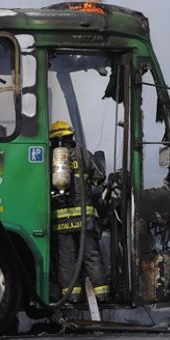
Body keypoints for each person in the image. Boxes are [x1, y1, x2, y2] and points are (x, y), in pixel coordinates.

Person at [49, 120, 109, 303]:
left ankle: (72, 296)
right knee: (91, 255)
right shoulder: (83, 153)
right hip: (85, 218)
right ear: (70, 136)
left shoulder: (51, 157)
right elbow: (99, 177)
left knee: (67, 259)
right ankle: (102, 293)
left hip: (61, 219)